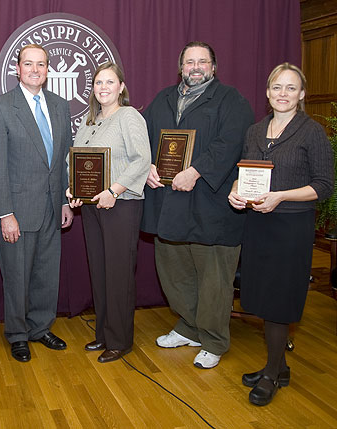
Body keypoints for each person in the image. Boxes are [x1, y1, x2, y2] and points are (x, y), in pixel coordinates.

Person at [142, 41, 254, 369]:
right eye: (189, 61)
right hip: (169, 202)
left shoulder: (232, 100)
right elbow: (143, 138)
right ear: (180, 67)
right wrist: (146, 164)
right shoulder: (162, 99)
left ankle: (214, 338)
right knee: (175, 271)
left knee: (213, 277)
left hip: (211, 203)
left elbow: (231, 143)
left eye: (202, 62)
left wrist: (197, 170)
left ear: (213, 67)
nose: (195, 67)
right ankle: (189, 327)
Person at [229, 63, 334, 406]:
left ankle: (272, 374)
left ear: (302, 94)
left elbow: (323, 186)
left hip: (290, 227)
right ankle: (280, 366)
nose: (283, 94)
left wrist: (281, 196)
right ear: (267, 92)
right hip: (258, 224)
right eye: (277, 87)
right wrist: (235, 190)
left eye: (291, 88)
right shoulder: (256, 131)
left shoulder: (311, 131)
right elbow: (246, 172)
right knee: (260, 296)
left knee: (278, 301)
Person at [0, 44, 74, 362]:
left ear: (48, 70)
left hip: (52, 206)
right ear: (17, 69)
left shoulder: (61, 107)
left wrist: (64, 201)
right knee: (17, 274)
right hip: (17, 210)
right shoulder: (0, 108)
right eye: (28, 64)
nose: (35, 69)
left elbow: (63, 160)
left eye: (41, 64)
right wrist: (5, 213)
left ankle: (40, 327)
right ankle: (18, 334)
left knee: (47, 273)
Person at [66, 62, 151, 363]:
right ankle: (103, 333)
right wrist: (73, 188)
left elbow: (142, 160)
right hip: (92, 207)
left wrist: (114, 190)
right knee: (100, 271)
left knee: (118, 274)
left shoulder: (129, 117)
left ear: (121, 87)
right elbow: (74, 160)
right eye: (98, 83)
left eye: (109, 82)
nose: (103, 88)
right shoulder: (90, 121)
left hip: (121, 206)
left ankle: (119, 340)